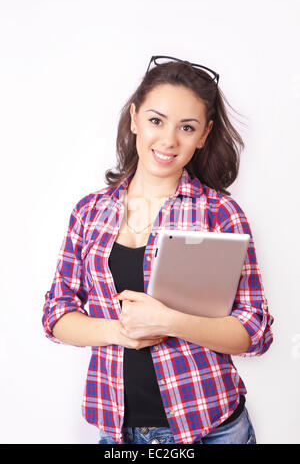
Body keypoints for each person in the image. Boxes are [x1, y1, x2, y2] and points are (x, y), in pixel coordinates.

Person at [42, 55, 274, 445]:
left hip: (211, 427)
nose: (168, 140)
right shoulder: (89, 211)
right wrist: (120, 331)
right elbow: (56, 314)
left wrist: (168, 321)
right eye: (156, 120)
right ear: (134, 118)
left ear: (204, 135)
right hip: (118, 432)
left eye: (187, 127)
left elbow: (255, 330)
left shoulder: (219, 213)